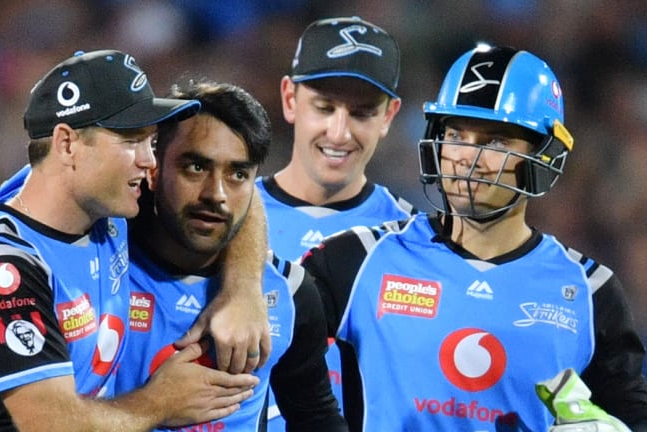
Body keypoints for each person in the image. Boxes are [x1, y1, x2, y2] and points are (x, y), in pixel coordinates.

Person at [0, 49, 269, 431]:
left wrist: (243, 291)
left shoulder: (109, 206)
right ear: (68, 144)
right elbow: (50, 423)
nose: (149, 162)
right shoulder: (2, 268)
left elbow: (240, 199)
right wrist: (160, 402)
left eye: (151, 143)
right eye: (130, 140)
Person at [299, 44, 647, 430]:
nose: (467, 156)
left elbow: (631, 415)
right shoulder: (355, 259)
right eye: (456, 133)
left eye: (496, 142)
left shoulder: (591, 291)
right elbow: (267, 341)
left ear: (544, 155)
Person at [116, 79, 346, 430]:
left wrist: (245, 286)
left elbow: (315, 418)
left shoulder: (290, 292)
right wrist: (152, 405)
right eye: (195, 167)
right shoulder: (100, 263)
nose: (216, 194)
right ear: (153, 167)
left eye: (238, 173)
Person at [255, 16, 416, 429]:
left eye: (362, 113)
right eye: (324, 108)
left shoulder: (413, 241)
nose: (340, 133)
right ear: (290, 100)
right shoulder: (222, 218)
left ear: (389, 116)